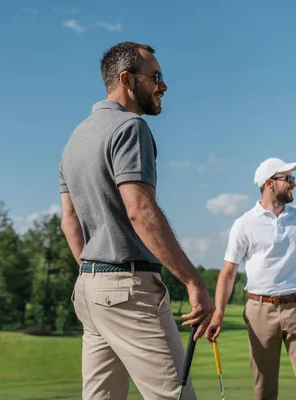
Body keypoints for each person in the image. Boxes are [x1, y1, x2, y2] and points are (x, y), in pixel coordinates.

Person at [59, 41, 215, 400]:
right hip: (128, 292)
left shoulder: (75, 139)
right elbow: (140, 211)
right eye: (156, 76)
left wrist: (93, 273)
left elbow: (70, 222)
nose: (163, 85)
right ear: (127, 79)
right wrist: (193, 282)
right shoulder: (130, 127)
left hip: (89, 290)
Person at [205, 157, 296, 400]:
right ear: (269, 183)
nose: (294, 184)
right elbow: (228, 272)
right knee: (264, 392)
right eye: (289, 179)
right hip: (260, 311)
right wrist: (219, 313)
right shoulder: (243, 224)